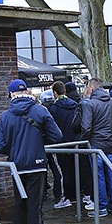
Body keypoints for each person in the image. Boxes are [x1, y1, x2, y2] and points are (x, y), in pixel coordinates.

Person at [0, 79, 63, 224]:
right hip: (37, 163)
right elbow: (56, 136)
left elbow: (0, 145)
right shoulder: (40, 111)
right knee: (35, 206)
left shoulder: (5, 116)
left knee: (19, 205)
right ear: (28, 92)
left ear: (11, 94)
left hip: (16, 166)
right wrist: (38, 141)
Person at [80, 78, 112, 217]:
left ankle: (102, 207)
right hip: (110, 143)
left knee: (99, 176)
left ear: (91, 88)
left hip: (96, 144)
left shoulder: (90, 104)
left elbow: (86, 127)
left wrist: (85, 140)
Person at [48, 81, 78, 209]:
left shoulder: (54, 109)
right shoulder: (75, 105)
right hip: (75, 142)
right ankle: (75, 195)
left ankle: (64, 197)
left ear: (55, 93)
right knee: (74, 168)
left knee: (63, 171)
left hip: (60, 144)